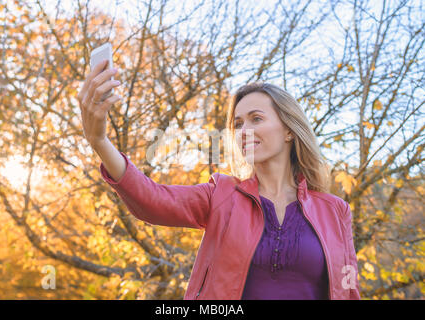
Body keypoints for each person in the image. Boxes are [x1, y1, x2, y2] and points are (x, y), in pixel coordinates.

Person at [77, 60, 361, 300]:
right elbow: (152, 200)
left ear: (289, 130)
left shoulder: (336, 211)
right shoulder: (223, 194)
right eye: (237, 124)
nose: (244, 131)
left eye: (256, 119)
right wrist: (100, 141)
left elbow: (349, 291)